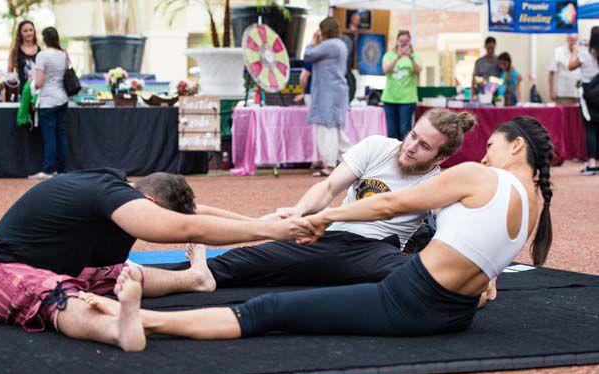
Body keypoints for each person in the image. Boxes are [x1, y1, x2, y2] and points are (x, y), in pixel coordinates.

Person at [82, 116, 553, 345]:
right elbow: (486, 248)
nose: (487, 154)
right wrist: (301, 220)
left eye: (492, 146)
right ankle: (147, 286)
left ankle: (140, 320)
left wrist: (322, 219)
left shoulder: (476, 175)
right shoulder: (535, 204)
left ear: (514, 146)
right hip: (453, 313)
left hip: (402, 287)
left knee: (268, 310)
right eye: (412, 135)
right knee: (246, 270)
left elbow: (389, 205)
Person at [114, 108, 476, 297]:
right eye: (413, 135)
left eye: (424, 146)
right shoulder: (378, 146)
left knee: (429, 280)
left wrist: (481, 276)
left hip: (375, 250)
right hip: (332, 238)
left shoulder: (437, 182)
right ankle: (123, 283)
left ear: (440, 157)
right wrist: (302, 213)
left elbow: (394, 211)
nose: (411, 147)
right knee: (241, 264)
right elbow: (330, 186)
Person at [0, 168, 315, 351]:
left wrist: (262, 222)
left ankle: (194, 279)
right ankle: (116, 330)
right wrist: (275, 234)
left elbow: (197, 213)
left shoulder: (128, 195)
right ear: (151, 204)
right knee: (58, 292)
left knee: (119, 273)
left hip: (54, 264)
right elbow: (180, 226)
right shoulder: (109, 195)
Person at [304, 17, 351, 177]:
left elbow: (308, 55)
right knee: (336, 129)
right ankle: (349, 160)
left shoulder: (329, 45)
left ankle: (330, 165)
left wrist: (313, 40)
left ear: (324, 30)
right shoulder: (341, 44)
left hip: (328, 93)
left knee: (328, 127)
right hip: (336, 92)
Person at [29, 27, 69, 180]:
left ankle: (47, 170)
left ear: (45, 38)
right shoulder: (63, 54)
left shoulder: (42, 55)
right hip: (62, 98)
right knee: (61, 135)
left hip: (47, 100)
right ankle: (62, 169)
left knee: (49, 136)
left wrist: (30, 85)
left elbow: (39, 82)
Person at [382, 30, 422, 141]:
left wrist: (410, 57)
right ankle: (391, 156)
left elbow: (418, 71)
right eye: (401, 41)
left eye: (406, 41)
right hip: (390, 99)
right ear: (397, 41)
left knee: (405, 130)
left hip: (407, 99)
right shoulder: (389, 55)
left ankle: (404, 155)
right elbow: (385, 70)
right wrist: (397, 57)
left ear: (410, 42)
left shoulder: (414, 56)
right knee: (391, 131)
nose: (403, 43)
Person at [569, 27, 599, 175]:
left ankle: (592, 163)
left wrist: (575, 50)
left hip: (588, 95)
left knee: (590, 128)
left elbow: (571, 66)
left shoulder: (585, 54)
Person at [8, 20, 41, 90]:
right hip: (22, 92)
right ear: (20, 33)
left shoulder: (40, 50)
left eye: (31, 30)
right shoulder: (15, 50)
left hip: (38, 92)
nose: (29, 33)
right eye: (25, 31)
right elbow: (9, 73)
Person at [548, 34, 580, 105]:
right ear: (567, 40)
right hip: (563, 94)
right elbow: (551, 72)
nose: (574, 42)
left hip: (578, 93)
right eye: (571, 40)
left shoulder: (581, 52)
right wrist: (551, 91)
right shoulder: (558, 51)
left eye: (576, 40)